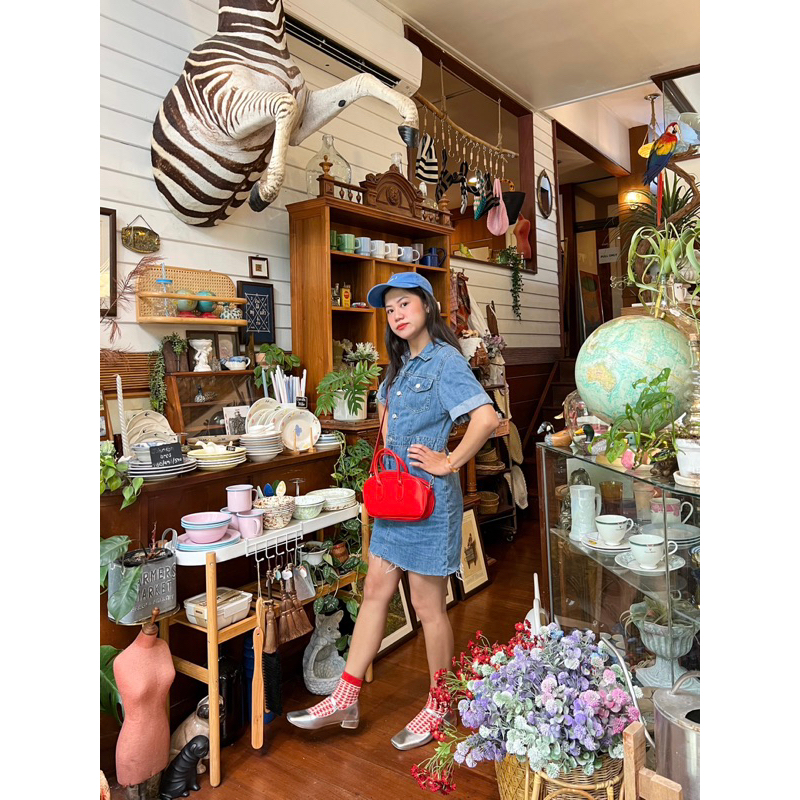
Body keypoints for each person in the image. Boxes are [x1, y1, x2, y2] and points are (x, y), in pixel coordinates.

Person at [288, 272, 499, 749]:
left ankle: (440, 705)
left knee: (428, 608)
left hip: (428, 503)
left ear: (427, 306)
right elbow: (387, 428)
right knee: (375, 593)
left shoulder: (445, 361)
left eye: (405, 303)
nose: (398, 314)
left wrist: (448, 460)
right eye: (390, 309)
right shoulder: (397, 368)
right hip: (393, 500)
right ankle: (345, 697)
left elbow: (486, 418)